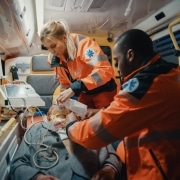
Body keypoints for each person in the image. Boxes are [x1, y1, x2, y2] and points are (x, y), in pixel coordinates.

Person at [65, 29, 180, 179]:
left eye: (117, 61)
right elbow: (141, 119)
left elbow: (92, 137)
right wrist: (102, 111)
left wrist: (70, 126)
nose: (117, 68)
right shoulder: (170, 73)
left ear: (130, 55)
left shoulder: (146, 85)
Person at [10, 107, 122, 180]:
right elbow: (17, 164)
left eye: (67, 110)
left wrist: (109, 169)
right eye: (57, 109)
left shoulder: (89, 128)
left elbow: (113, 155)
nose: (62, 107)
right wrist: (36, 177)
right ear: (49, 117)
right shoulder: (35, 130)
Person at [40, 20, 118, 108]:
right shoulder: (52, 60)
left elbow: (104, 71)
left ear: (64, 38)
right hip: (85, 92)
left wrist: (75, 87)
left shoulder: (84, 44)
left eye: (53, 46)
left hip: (104, 89)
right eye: (47, 48)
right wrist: (62, 101)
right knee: (80, 118)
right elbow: (64, 82)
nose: (51, 51)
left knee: (102, 120)